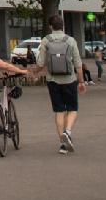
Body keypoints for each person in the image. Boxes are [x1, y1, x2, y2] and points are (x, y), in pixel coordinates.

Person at [35, 14, 85, 154]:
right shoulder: (71, 40)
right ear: (63, 25)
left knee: (59, 111)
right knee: (72, 109)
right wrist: (81, 81)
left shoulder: (46, 40)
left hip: (53, 81)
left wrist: (34, 72)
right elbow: (78, 64)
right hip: (70, 80)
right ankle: (68, 132)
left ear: (50, 26)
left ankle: (63, 145)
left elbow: (40, 63)